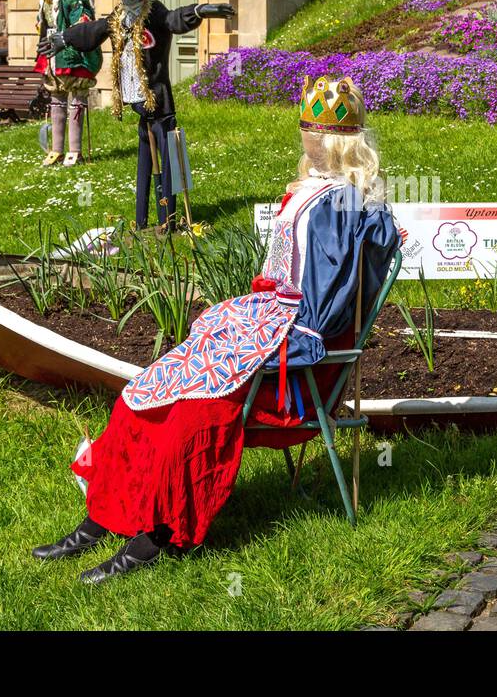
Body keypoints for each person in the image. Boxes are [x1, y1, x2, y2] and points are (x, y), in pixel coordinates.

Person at [31, 77, 401, 584]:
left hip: (296, 375)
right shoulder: (318, 194)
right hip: (273, 335)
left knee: (192, 414)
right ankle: (102, 518)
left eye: (313, 135)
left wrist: (257, 334)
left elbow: (323, 314)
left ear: (334, 142)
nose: (305, 142)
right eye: (305, 132)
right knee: (145, 391)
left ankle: (156, 535)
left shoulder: (341, 209)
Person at [39, 0, 235, 228]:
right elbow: (93, 31)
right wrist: (64, 38)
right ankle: (142, 222)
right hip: (137, 102)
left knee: (168, 165)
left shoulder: (153, 12)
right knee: (144, 164)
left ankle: (166, 220)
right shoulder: (118, 17)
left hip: (158, 102)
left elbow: (173, 19)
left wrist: (200, 10)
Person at [27, 0, 102, 167]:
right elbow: (47, 18)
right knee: (57, 98)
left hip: (72, 51)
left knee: (76, 97)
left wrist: (72, 35)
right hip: (52, 51)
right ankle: (56, 149)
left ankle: (75, 150)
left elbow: (82, 17)